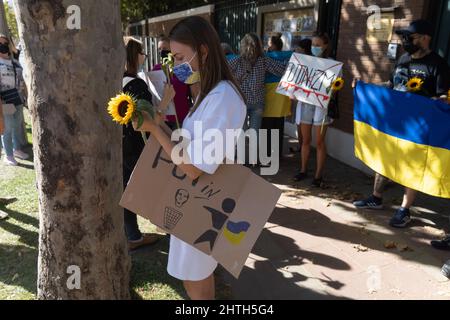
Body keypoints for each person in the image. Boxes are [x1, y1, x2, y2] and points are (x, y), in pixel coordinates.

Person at [133, 16, 246, 300]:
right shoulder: (208, 94)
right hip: (192, 200)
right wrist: (159, 125)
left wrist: (156, 131)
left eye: (181, 56)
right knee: (191, 278)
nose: (176, 64)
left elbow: (194, 167)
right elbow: (190, 146)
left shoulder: (223, 98)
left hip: (204, 202)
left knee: (197, 282)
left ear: (204, 51)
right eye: (173, 57)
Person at [353, 20, 450, 228]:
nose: (406, 41)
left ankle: (404, 210)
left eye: (411, 38)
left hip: (419, 126)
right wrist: (367, 87)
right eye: (405, 38)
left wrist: (437, 101)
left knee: (411, 165)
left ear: (426, 38)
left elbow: (443, 95)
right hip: (395, 122)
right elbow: (391, 84)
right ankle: (376, 197)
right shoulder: (403, 58)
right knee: (385, 157)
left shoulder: (438, 64)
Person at [122, 37, 165, 250]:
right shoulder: (136, 84)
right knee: (146, 185)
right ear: (135, 55)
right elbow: (150, 121)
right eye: (142, 53)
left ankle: (132, 234)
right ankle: (163, 223)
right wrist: (166, 100)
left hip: (119, 145)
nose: (144, 57)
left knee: (125, 188)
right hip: (135, 144)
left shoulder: (115, 80)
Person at [293, 32, 335, 187]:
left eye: (318, 45)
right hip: (305, 104)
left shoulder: (332, 64)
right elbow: (297, 81)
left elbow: (335, 87)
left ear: (325, 46)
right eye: (313, 45)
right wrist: (294, 91)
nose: (315, 48)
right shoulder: (306, 61)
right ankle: (303, 170)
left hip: (321, 107)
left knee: (319, 142)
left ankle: (318, 176)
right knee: (305, 140)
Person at [261, 34, 292, 161]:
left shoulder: (266, 57)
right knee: (278, 127)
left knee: (266, 128)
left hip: (269, 94)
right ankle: (277, 154)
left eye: (268, 43)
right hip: (282, 94)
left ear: (273, 45)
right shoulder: (289, 56)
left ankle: (266, 155)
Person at [0, 34, 29, 166]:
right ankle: (8, 155)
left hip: (17, 97)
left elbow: (14, 49)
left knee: (17, 124)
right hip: (5, 100)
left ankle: (17, 149)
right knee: (7, 127)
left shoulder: (14, 60)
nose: (3, 46)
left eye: (5, 43)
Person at [152, 36, 191, 131]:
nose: (162, 52)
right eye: (159, 49)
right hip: (164, 119)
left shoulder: (182, 68)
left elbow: (191, 92)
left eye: (165, 49)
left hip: (182, 118)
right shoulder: (156, 68)